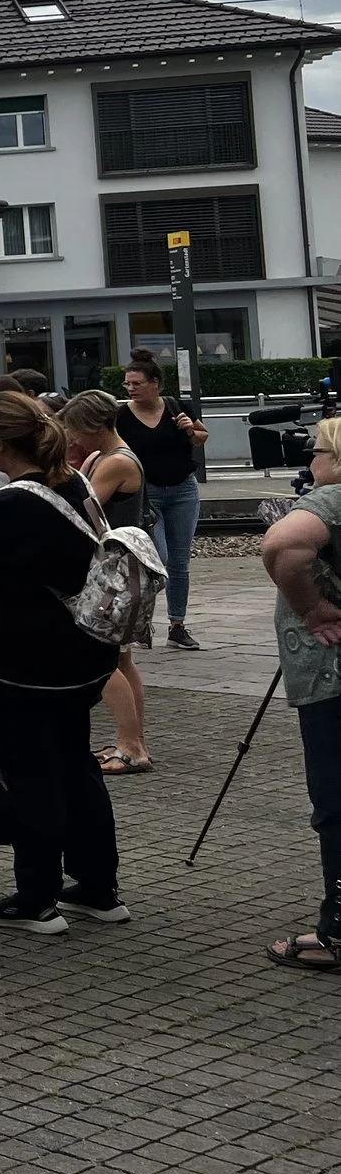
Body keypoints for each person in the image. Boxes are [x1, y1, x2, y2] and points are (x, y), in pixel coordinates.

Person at [0, 391, 123, 935]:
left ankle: (37, 898)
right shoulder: (71, 483)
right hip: (86, 656)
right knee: (76, 762)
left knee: (30, 773)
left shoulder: (8, 509)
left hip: (26, 666)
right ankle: (97, 888)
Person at [257, 415, 341, 972]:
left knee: (336, 802)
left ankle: (336, 931)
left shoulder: (332, 499)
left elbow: (284, 545)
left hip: (334, 679)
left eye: (315, 451)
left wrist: (312, 609)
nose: (309, 462)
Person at [60, 391, 154, 776]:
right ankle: (131, 740)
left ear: (94, 425)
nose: (71, 437)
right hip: (117, 570)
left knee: (103, 662)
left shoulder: (116, 461)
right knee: (122, 660)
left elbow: (82, 510)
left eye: (74, 429)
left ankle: (132, 747)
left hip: (113, 573)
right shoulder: (104, 456)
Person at [118, 350, 207, 651]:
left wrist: (190, 429)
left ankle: (177, 625)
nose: (130, 388)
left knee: (179, 562)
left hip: (183, 489)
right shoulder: (122, 416)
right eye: (127, 384)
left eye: (136, 383)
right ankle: (141, 622)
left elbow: (201, 438)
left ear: (155, 383)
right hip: (148, 493)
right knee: (158, 560)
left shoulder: (175, 407)